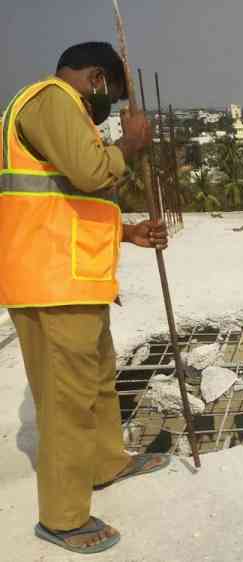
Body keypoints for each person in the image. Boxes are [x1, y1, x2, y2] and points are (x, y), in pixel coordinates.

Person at [0, 42, 171, 554]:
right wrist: (132, 144)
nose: (114, 110)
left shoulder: (63, 109)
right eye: (113, 97)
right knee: (66, 401)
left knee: (97, 381)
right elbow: (92, 173)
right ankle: (63, 517)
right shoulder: (51, 100)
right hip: (50, 283)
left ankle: (105, 463)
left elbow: (65, 201)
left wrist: (128, 232)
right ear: (97, 78)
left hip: (75, 279)